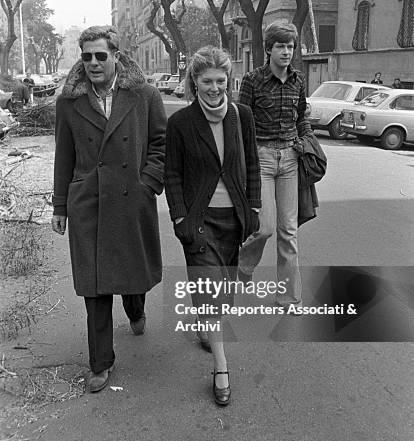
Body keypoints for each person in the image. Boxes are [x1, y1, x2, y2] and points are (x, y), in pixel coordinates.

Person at [52, 25, 167, 393]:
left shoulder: (144, 95)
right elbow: (63, 156)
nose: (93, 63)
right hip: (88, 201)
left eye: (101, 55)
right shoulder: (69, 102)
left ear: (116, 55)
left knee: (131, 274)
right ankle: (101, 362)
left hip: (131, 197)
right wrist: (60, 205)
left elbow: (161, 145)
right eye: (86, 56)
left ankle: (136, 308)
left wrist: (147, 182)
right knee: (95, 285)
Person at [165, 46, 261, 406]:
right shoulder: (180, 123)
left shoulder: (242, 116)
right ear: (195, 81)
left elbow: (251, 163)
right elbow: (172, 175)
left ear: (228, 81)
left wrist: (253, 208)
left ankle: (206, 326)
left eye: (221, 80)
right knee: (210, 294)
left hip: (233, 221)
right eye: (207, 81)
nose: (214, 88)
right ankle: (221, 366)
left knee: (222, 295)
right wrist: (179, 217)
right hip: (199, 223)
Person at [237, 21, 312, 310]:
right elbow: (241, 122)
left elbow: (301, 116)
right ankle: (244, 264)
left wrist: (305, 140)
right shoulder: (252, 80)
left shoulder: (298, 80)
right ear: (269, 49)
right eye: (280, 46)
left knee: (288, 232)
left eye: (290, 46)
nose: (286, 52)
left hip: (290, 159)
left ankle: (288, 297)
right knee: (265, 228)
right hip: (262, 158)